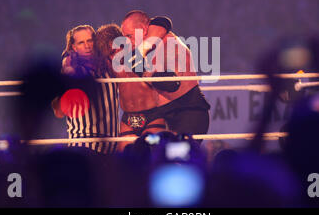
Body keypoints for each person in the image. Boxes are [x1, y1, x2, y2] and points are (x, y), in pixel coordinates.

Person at [121, 10, 210, 139]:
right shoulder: (144, 51)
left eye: (129, 36)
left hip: (188, 111)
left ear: (143, 29)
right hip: (167, 115)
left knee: (181, 156)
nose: (128, 41)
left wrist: (146, 73)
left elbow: (171, 83)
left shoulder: (168, 43)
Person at [94, 23, 169, 151]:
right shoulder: (108, 66)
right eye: (111, 52)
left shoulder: (140, 55)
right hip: (128, 119)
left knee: (154, 149)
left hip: (152, 116)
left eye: (118, 48)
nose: (117, 54)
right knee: (124, 155)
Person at [52, 25, 119, 154]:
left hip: (111, 142)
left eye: (90, 41)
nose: (87, 46)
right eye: (81, 43)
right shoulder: (71, 66)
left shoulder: (107, 64)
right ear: (74, 47)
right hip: (83, 143)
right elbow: (58, 112)